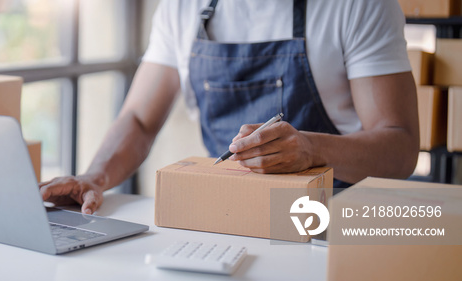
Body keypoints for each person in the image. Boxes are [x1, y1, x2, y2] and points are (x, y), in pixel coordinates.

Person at [39, 0, 419, 214]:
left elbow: (399, 146)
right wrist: (95, 176)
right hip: (224, 214)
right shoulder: (181, 8)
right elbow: (139, 119)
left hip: (330, 220)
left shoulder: (360, 6)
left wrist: (312, 150)